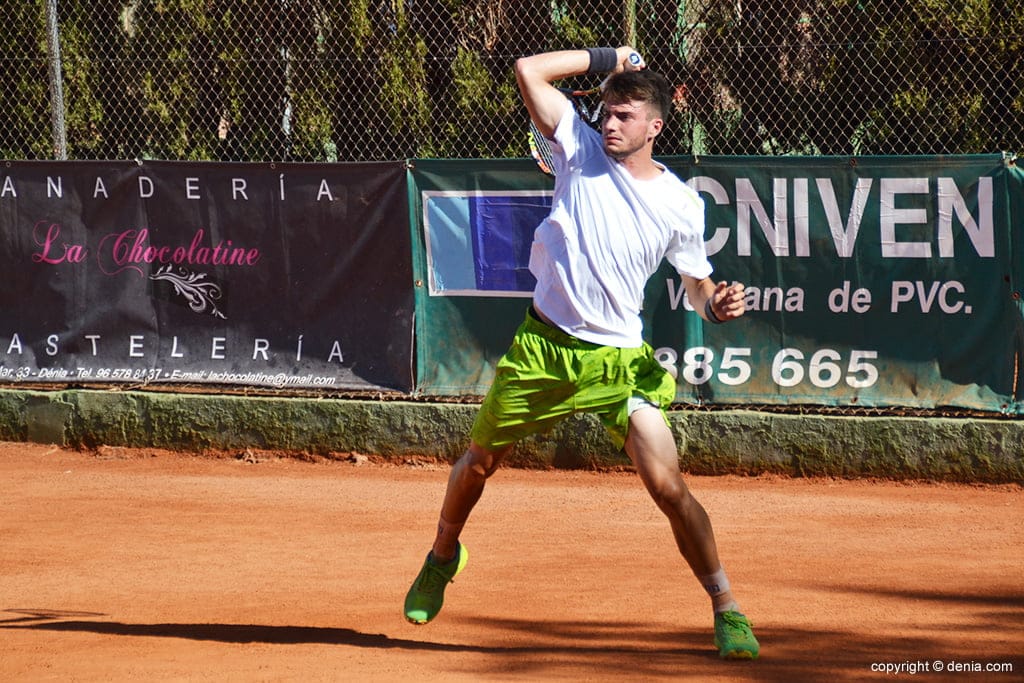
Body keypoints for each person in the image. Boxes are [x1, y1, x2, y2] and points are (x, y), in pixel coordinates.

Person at [403, 46, 759, 660]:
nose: (610, 124)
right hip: (543, 349)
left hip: (619, 362)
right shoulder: (578, 148)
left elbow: (697, 285)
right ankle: (441, 556)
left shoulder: (681, 203)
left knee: (668, 486)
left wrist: (716, 306)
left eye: (625, 116)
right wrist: (610, 56)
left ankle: (727, 608)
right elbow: (527, 69)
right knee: (479, 463)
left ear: (655, 126)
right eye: (607, 113)